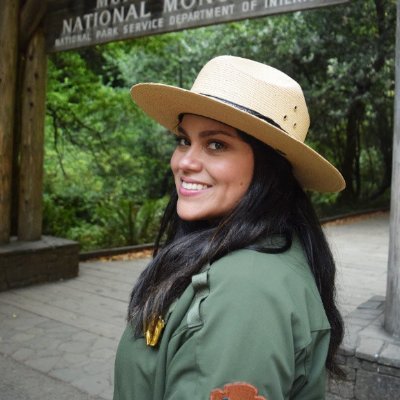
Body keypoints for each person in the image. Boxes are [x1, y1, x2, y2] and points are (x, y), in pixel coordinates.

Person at [113, 55, 345, 400]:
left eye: (216, 144)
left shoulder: (245, 296)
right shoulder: (252, 250)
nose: (185, 162)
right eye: (183, 140)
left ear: (269, 168)